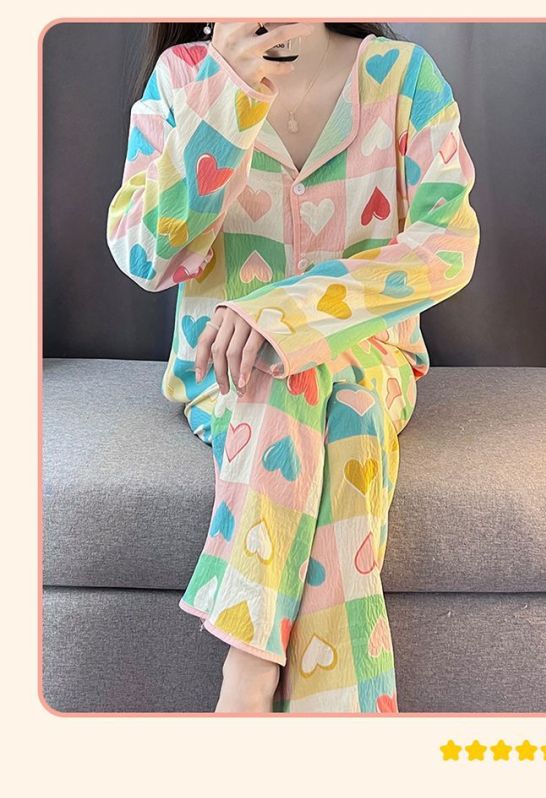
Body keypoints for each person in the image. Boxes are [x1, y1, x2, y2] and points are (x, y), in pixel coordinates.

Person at [106, 20, 480, 714]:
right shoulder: (183, 80)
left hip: (372, 360)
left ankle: (246, 672)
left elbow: (446, 247)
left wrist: (286, 314)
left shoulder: (405, 78)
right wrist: (225, 99)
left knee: (313, 372)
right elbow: (145, 255)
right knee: (343, 413)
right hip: (226, 378)